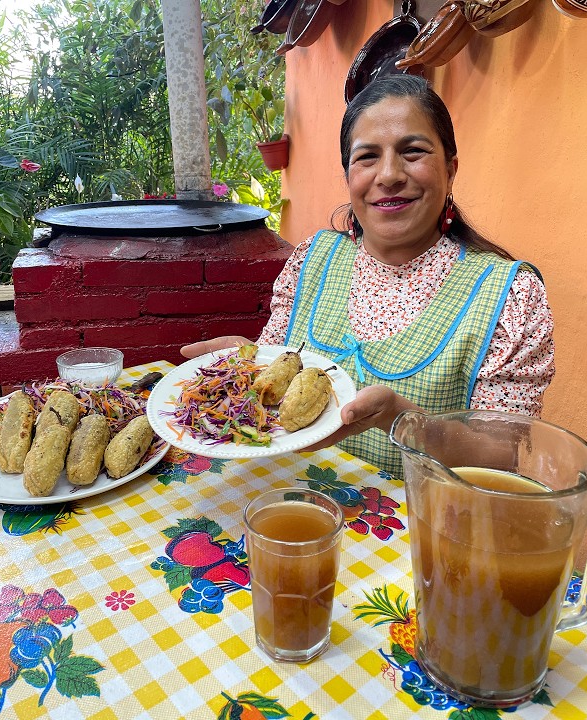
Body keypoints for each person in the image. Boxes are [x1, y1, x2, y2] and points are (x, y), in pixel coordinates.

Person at [181, 75, 555, 476]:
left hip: (417, 529)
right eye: (367, 157)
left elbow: (500, 456)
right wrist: (241, 372)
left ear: (450, 169)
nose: (389, 174)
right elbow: (272, 385)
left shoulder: (510, 296)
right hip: (289, 507)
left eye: (413, 151)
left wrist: (401, 419)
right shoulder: (313, 259)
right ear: (348, 177)